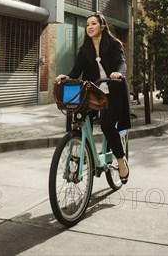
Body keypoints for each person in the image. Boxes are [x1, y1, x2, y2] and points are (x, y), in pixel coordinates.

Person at [56, 12, 131, 183]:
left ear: (102, 26)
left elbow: (122, 62)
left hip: (113, 93)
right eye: (87, 24)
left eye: (93, 24)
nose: (89, 27)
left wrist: (118, 73)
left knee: (107, 126)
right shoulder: (85, 50)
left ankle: (121, 160)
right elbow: (76, 71)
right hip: (94, 94)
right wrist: (65, 77)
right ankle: (83, 151)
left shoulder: (113, 44)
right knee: (81, 118)